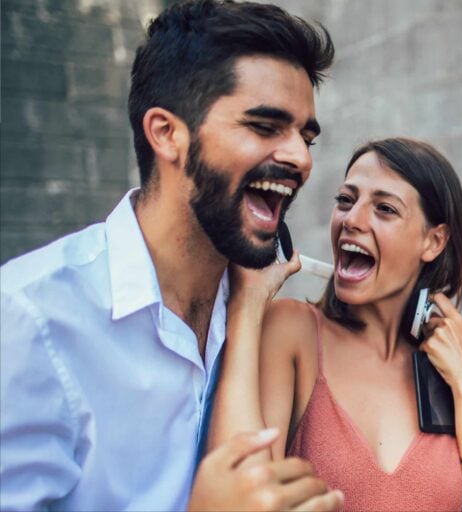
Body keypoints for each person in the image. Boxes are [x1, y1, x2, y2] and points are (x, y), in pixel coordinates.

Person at [0, 1, 342, 510]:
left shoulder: (259, 310)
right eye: (265, 126)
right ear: (166, 133)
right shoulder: (30, 318)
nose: (301, 158)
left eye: (305, 135)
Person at [209, 138, 462, 510]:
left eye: (384, 209)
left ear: (434, 241)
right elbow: (238, 492)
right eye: (345, 200)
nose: (352, 220)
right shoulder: (293, 332)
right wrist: (248, 306)